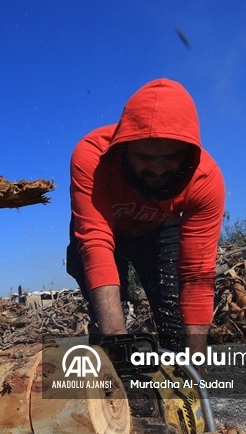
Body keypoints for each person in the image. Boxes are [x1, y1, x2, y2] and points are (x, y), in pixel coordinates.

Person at [67, 79, 224, 355]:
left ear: (188, 152)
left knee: (175, 326)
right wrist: (116, 338)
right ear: (124, 147)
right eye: (145, 157)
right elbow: (96, 243)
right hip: (105, 231)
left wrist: (196, 366)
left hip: (159, 233)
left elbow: (197, 276)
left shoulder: (206, 180)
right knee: (106, 328)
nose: (159, 169)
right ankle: (108, 374)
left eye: (172, 157)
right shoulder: (92, 156)